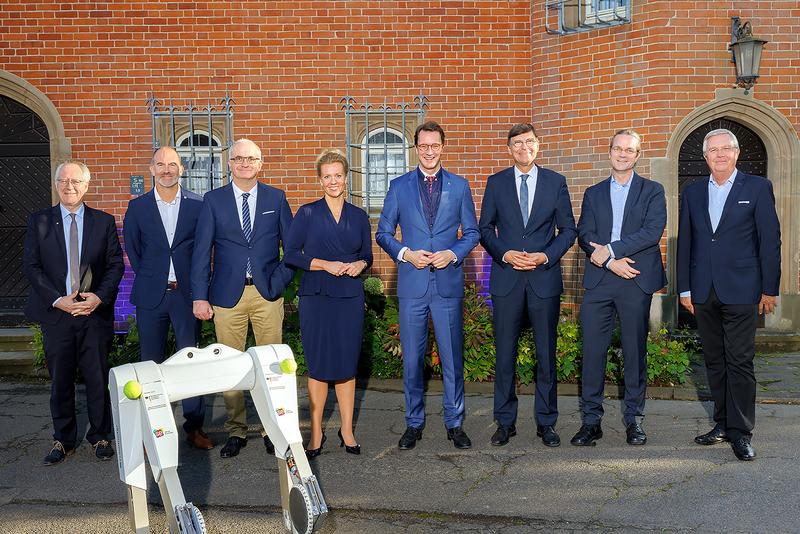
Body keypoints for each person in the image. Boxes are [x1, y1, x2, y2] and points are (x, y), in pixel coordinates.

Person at [677, 128, 781, 461]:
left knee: (739, 361)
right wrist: (684, 288)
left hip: (742, 289)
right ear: (705, 157)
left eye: (726, 149)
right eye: (713, 150)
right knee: (715, 361)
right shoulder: (692, 193)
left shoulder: (758, 188)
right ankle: (721, 424)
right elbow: (687, 243)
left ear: (736, 153)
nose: (720, 154)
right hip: (703, 291)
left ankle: (740, 432)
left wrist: (769, 289)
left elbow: (770, 242)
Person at [376, 121, 479, 450]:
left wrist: (452, 252)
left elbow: (473, 233)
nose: (429, 151)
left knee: (451, 357)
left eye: (435, 145)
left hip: (447, 284)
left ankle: (454, 422)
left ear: (443, 147)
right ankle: (413, 422)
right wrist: (406, 253)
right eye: (423, 146)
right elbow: (384, 233)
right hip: (413, 285)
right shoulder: (399, 186)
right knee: (412, 360)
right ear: (416, 148)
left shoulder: (460, 186)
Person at [191, 138, 295, 459]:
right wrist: (199, 296)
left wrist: (277, 284)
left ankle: (270, 428)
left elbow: (291, 249)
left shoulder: (275, 198)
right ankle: (237, 430)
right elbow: (200, 252)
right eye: (238, 158)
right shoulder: (213, 200)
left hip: (266, 295)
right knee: (230, 367)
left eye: (251, 158)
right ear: (229, 163)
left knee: (270, 367)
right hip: (226, 297)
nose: (245, 163)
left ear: (260, 163)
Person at [479, 123, 577, 448]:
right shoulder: (495, 183)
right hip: (506, 280)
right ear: (509, 149)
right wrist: (504, 253)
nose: (524, 148)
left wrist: (543, 257)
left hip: (542, 279)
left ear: (538, 145)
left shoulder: (555, 182)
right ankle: (505, 423)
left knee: (545, 355)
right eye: (517, 143)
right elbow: (484, 228)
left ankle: (546, 423)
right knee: (504, 355)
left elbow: (568, 230)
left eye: (529, 142)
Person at [23, 161, 124, 465]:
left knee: (97, 378)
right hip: (58, 315)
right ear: (56, 184)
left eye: (75, 181)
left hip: (93, 314)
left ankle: (101, 435)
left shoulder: (103, 221)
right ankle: (63, 438)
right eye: (63, 180)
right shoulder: (39, 221)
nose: (69, 186)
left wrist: (99, 298)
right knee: (61, 381)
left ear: (86, 185)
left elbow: (115, 264)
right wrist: (57, 300)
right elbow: (32, 267)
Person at [571, 129, 666, 447]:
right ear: (609, 152)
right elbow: (584, 232)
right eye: (618, 149)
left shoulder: (653, 190)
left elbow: (652, 232)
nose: (623, 154)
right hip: (601, 279)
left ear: (638, 155)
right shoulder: (593, 192)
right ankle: (590, 422)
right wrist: (609, 262)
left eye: (630, 150)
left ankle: (634, 421)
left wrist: (610, 251)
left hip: (635, 278)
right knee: (592, 352)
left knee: (634, 351)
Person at [284, 149, 372, 457]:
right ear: (319, 180)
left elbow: (368, 255)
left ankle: (347, 430)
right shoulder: (307, 213)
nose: (333, 181)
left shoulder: (359, 216)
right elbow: (292, 254)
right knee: (319, 366)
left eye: (338, 175)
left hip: (349, 297)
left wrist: (360, 265)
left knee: (347, 365)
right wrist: (324, 264)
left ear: (346, 178)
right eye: (327, 176)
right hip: (317, 297)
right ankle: (317, 432)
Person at [123, 147, 211, 450]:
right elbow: (134, 250)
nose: (166, 170)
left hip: (186, 296)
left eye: (172, 164)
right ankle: (154, 427)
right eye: (160, 164)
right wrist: (154, 277)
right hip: (152, 296)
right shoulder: (138, 207)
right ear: (151, 169)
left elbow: (203, 251)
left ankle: (194, 427)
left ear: (181, 169)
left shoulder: (199, 206)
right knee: (150, 364)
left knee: (190, 362)